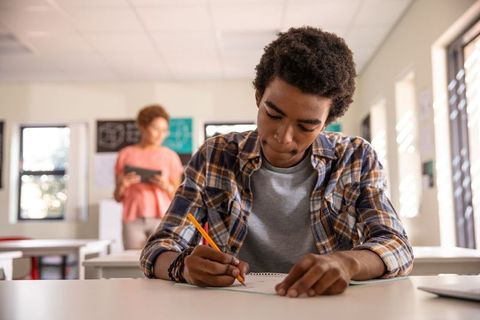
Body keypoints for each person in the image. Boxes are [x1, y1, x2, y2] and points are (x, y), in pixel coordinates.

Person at [140, 27, 413, 297]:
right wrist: (183, 266)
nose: (283, 138)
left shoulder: (356, 157)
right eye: (273, 114)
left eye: (306, 126)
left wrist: (347, 263)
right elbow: (158, 248)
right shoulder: (215, 155)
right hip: (235, 307)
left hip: (326, 308)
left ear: (326, 123)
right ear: (259, 96)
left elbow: (396, 246)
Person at [114, 105, 183, 250]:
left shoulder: (170, 156)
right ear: (143, 127)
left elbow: (178, 197)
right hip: (132, 220)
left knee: (162, 262)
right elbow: (117, 197)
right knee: (131, 265)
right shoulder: (125, 154)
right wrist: (123, 185)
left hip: (162, 219)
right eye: (156, 129)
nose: (160, 135)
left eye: (164, 130)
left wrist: (166, 186)